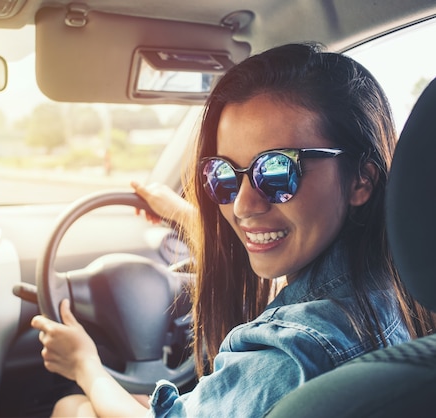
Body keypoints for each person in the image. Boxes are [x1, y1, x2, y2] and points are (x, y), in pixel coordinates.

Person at [30, 42, 435, 417]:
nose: (241, 205)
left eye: (277, 171)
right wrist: (187, 217)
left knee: (73, 406)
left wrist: (85, 365)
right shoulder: (396, 294)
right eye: (223, 175)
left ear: (360, 181)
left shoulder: (290, 352)